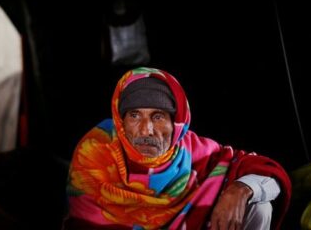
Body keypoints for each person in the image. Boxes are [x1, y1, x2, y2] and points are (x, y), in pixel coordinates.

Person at [64, 67, 291, 230]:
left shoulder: (197, 153)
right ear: (120, 122)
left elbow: (267, 172)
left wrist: (240, 189)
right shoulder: (95, 153)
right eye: (134, 116)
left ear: (177, 123)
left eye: (158, 116)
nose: (146, 130)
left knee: (259, 205)